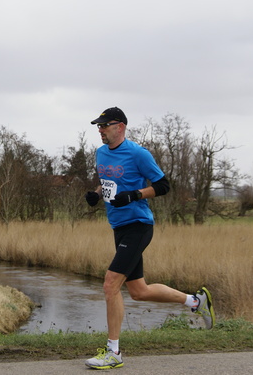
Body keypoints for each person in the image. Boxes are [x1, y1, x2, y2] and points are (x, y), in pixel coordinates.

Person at [84, 107, 215, 370]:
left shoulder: (138, 153)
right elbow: (106, 180)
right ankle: (195, 301)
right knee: (139, 291)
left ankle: (114, 353)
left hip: (138, 225)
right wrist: (97, 193)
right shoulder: (100, 153)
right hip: (119, 226)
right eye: (98, 126)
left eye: (104, 125)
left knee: (111, 285)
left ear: (119, 126)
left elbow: (164, 186)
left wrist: (134, 195)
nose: (100, 129)